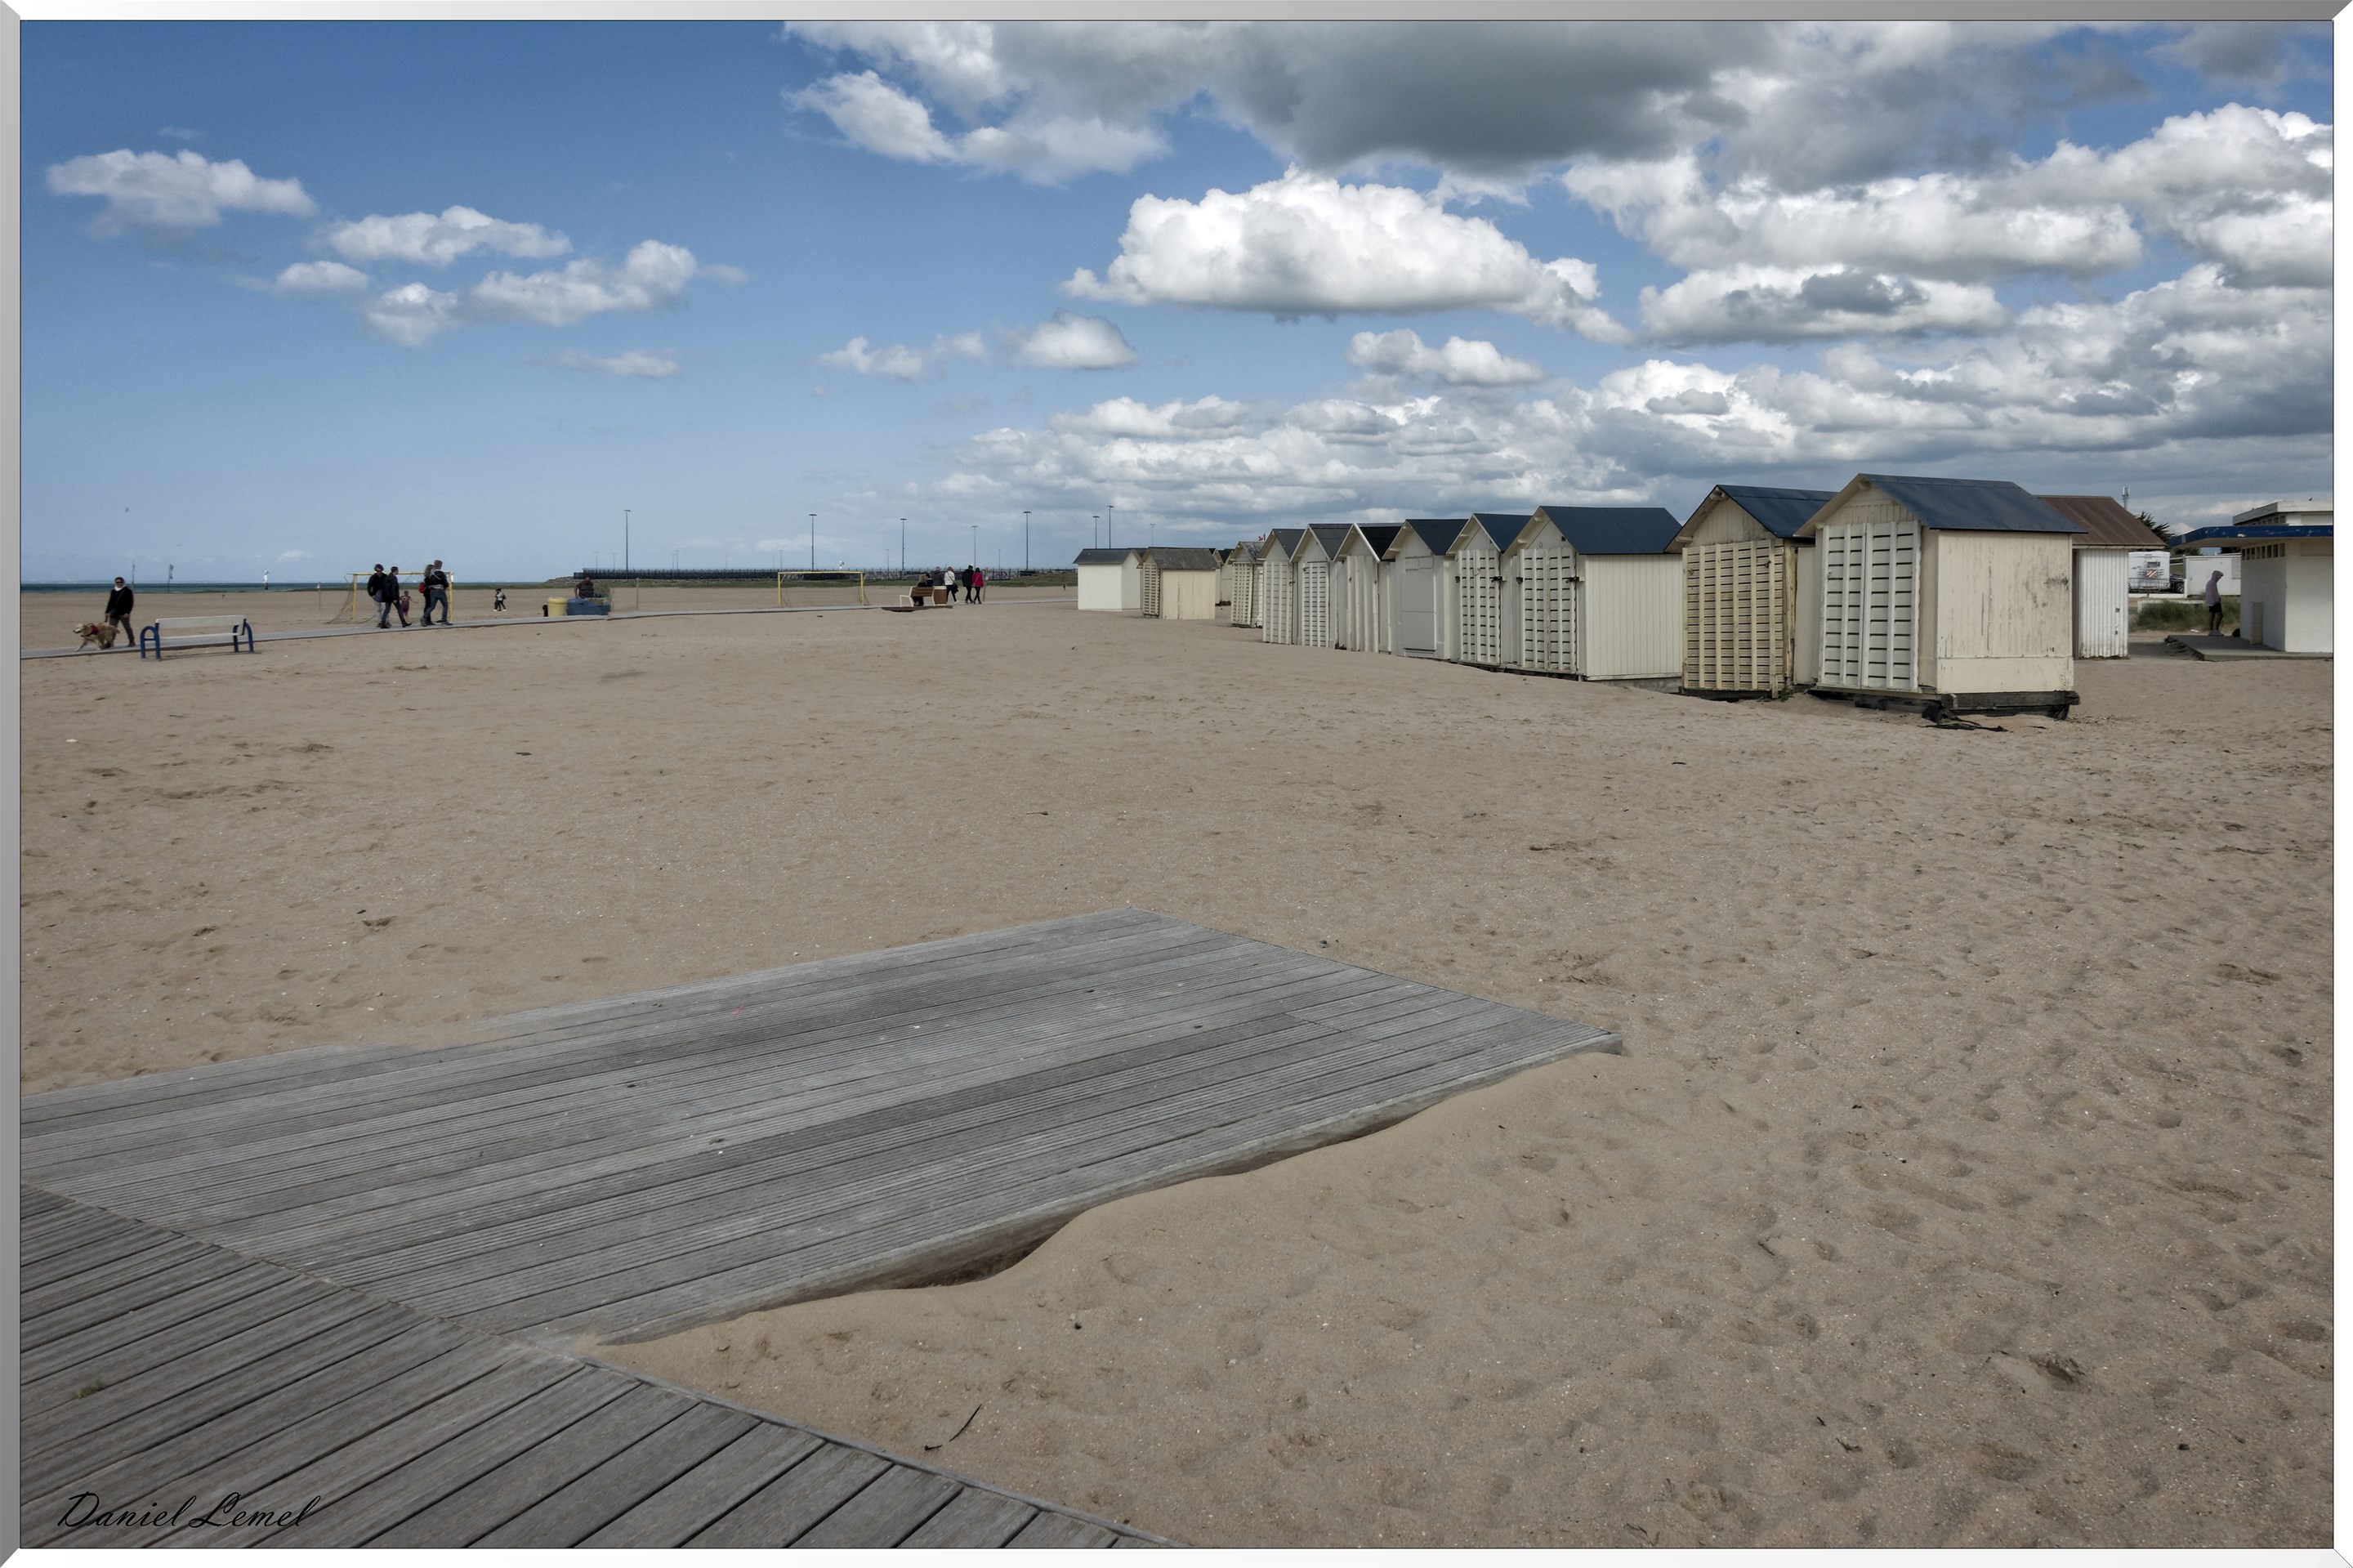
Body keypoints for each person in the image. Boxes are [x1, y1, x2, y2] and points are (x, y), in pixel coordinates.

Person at [103, 577, 135, 644]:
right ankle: (110, 642)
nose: (119, 583)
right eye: (118, 582)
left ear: (123, 582)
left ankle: (131, 640)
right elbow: (110, 602)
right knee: (112, 628)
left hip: (124, 613)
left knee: (127, 627)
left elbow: (130, 603)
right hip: (114, 613)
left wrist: (128, 612)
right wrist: (107, 612)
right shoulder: (113, 591)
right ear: (115, 583)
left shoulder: (127, 591)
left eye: (121, 582)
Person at [420, 560, 450, 626]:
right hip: (440, 590)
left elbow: (427, 582)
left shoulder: (430, 573)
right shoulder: (441, 573)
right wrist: (446, 586)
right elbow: (445, 583)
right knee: (445, 606)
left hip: (432, 591)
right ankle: (444, 621)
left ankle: (424, 617)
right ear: (439, 565)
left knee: (432, 606)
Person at [2203, 569, 2225, 635]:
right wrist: (2217, 600)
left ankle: (2211, 630)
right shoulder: (2212, 583)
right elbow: (2214, 593)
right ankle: (2215, 629)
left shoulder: (2210, 583)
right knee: (2219, 615)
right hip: (2215, 602)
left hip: (2211, 602)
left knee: (2212, 615)